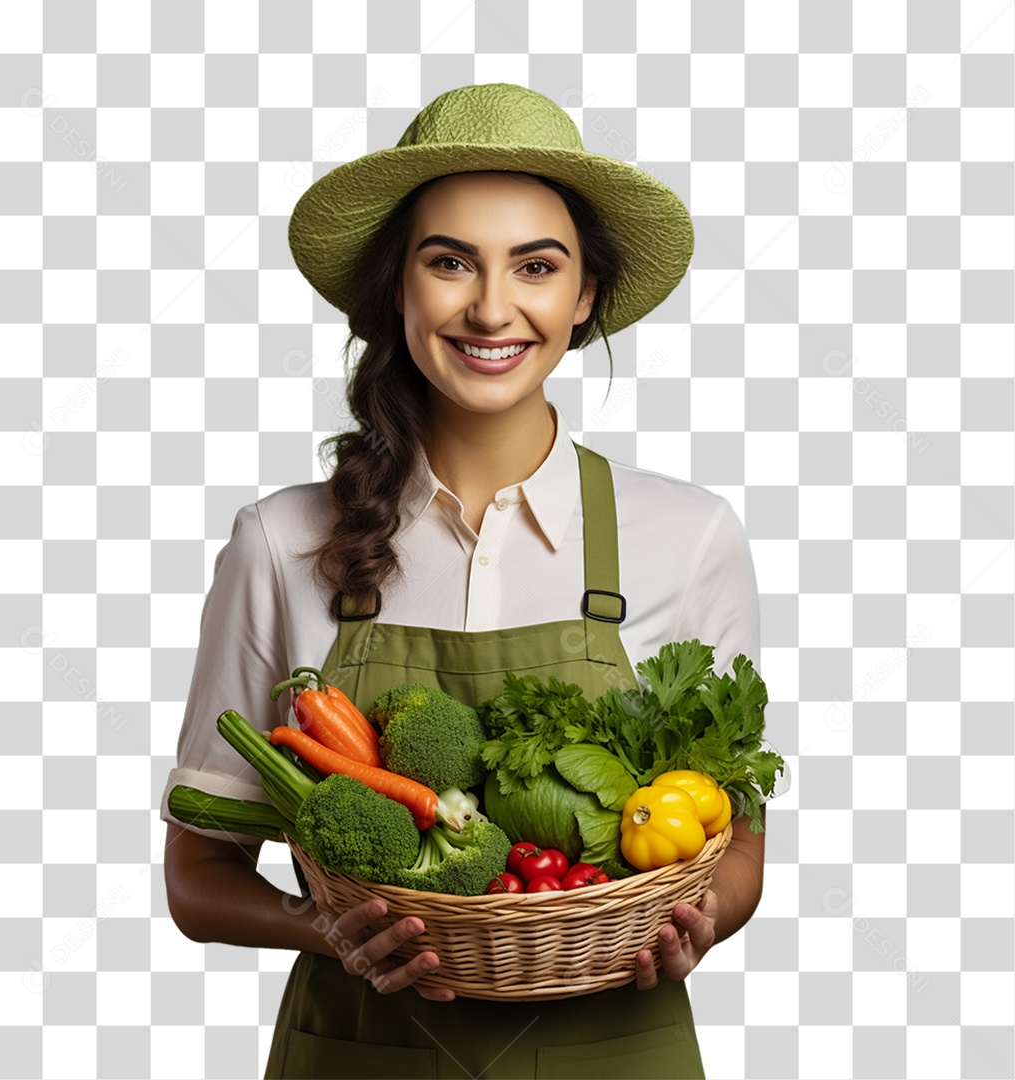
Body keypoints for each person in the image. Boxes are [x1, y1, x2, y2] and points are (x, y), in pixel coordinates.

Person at [161, 83, 789, 1080]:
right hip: (363, 1051)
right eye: (449, 262)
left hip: (614, 1050)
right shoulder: (281, 541)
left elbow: (740, 834)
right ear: (396, 291)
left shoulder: (688, 533)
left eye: (535, 267)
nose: (491, 307)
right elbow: (197, 875)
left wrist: (704, 920)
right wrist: (329, 931)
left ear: (583, 297)